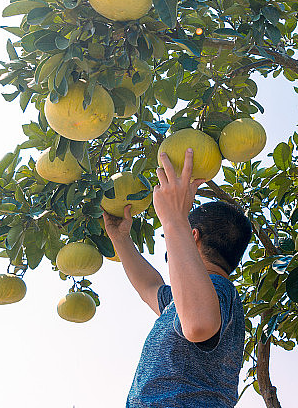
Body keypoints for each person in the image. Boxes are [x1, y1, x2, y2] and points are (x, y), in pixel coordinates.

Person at [103, 148, 252, 408]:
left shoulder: (219, 290)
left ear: (193, 236)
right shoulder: (183, 302)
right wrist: (120, 238)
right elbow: (150, 286)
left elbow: (198, 326)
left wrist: (173, 220)